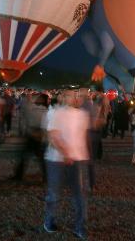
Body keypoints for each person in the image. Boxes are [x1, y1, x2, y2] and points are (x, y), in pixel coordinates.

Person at [43, 89, 91, 239]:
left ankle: (80, 226)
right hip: (57, 159)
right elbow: (52, 136)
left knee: (79, 195)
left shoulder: (82, 115)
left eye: (76, 95)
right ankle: (49, 220)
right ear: (63, 97)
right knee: (55, 194)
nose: (74, 98)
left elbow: (81, 138)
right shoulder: (55, 113)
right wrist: (65, 153)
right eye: (71, 95)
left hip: (76, 159)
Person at [13, 92, 48, 182]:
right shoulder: (44, 110)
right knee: (38, 158)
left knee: (27, 157)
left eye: (39, 98)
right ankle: (46, 177)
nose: (36, 99)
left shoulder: (40, 109)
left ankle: (19, 175)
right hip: (36, 135)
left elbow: (26, 111)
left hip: (35, 135)